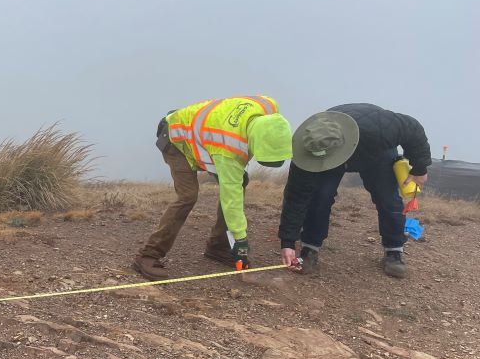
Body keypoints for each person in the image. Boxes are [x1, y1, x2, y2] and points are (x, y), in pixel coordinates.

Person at [132, 96, 293, 279]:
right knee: (188, 196)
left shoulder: (269, 107)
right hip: (175, 138)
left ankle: (217, 246)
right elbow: (231, 198)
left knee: (238, 182)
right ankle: (147, 255)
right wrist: (240, 241)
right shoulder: (228, 149)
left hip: (201, 136)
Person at [278, 104, 431, 278]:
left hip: (374, 152)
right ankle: (310, 248)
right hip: (327, 153)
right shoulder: (310, 147)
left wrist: (420, 167)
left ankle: (394, 251)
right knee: (319, 196)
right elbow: (296, 196)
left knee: (387, 199)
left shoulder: (380, 129)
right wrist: (288, 241)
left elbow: (413, 129)